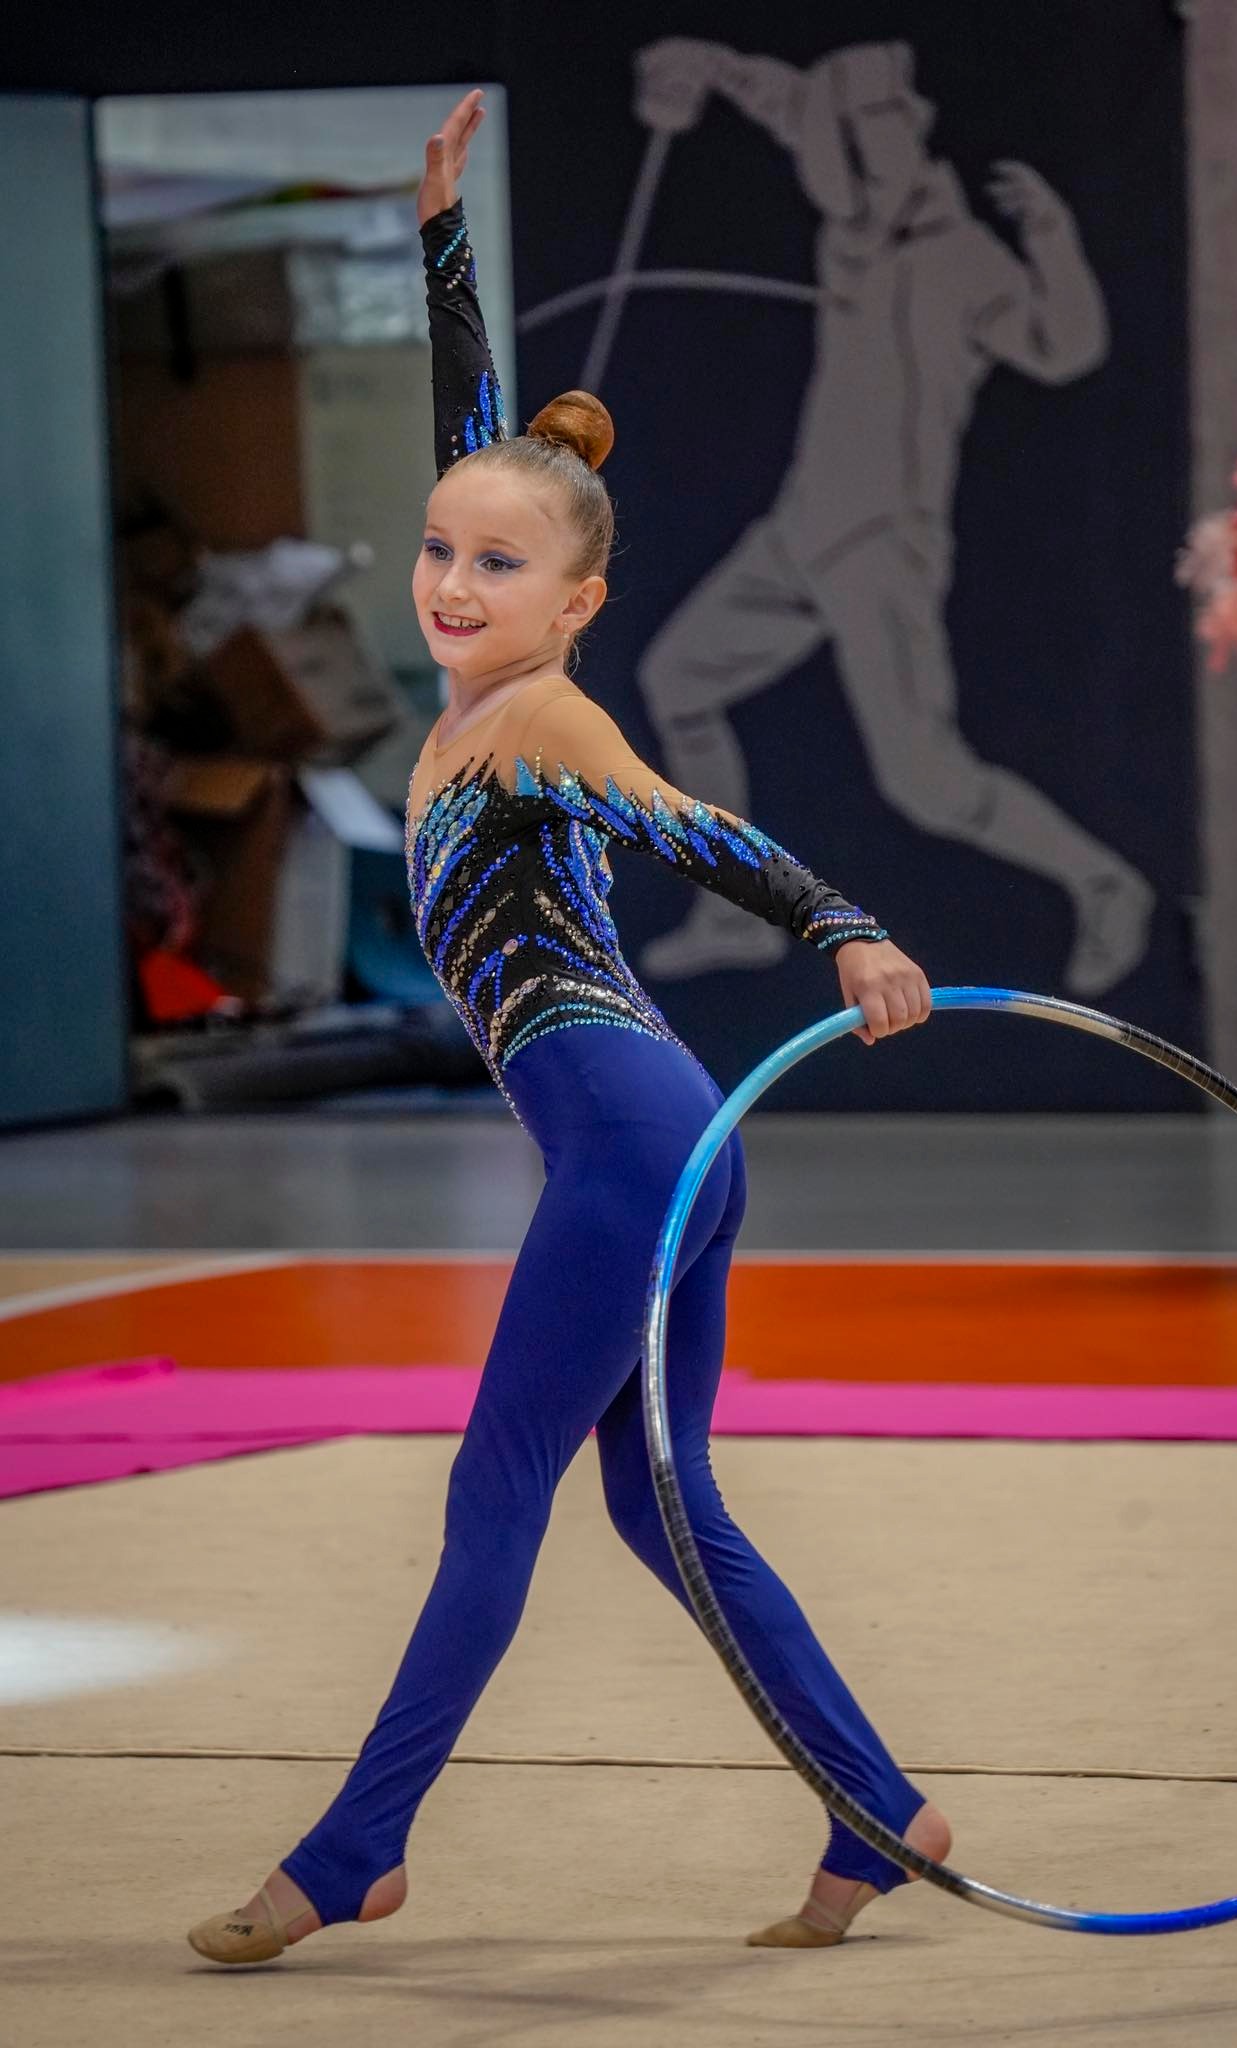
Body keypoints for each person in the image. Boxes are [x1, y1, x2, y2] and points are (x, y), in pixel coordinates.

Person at [188, 88, 950, 1968]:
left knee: (499, 1486)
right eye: (439, 551)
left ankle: (356, 1846)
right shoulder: (478, 683)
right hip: (665, 1134)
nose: (454, 583)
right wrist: (440, 238)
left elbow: (693, 828)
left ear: (579, 600)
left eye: (500, 566)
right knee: (659, 1506)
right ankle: (879, 1803)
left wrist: (843, 925)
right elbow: (478, 438)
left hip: (628, 1141)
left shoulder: (538, 718)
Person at [628, 38, 1153, 995]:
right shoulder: (853, 224)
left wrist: (1051, 239)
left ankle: (1103, 881)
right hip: (800, 532)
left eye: (862, 146)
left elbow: (1062, 346)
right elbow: (788, 102)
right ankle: (733, 911)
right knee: (679, 680)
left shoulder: (962, 260)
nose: (841, 171)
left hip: (880, 547)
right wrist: (703, 63)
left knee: (928, 784)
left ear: (900, 141)